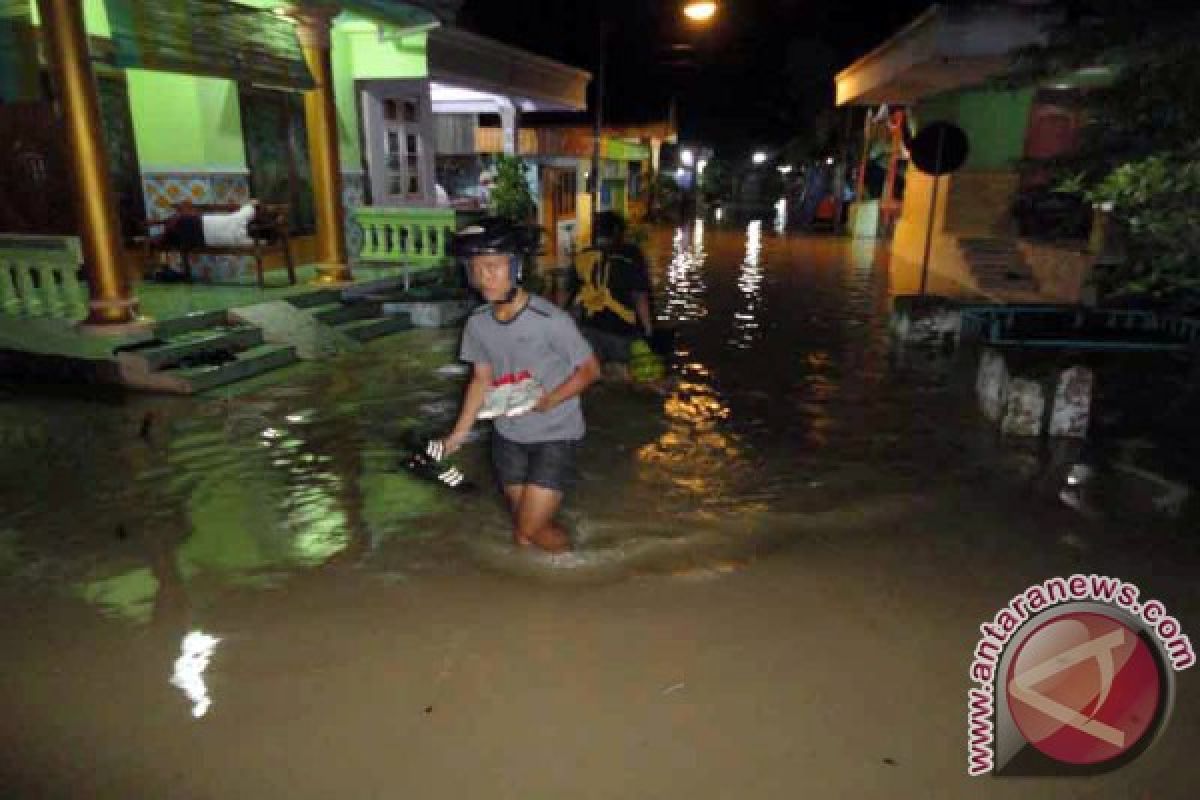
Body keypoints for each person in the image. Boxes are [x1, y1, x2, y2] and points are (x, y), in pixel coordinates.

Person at [436, 217, 601, 553]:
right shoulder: (478, 323)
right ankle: (542, 584)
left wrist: (549, 401)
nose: (484, 277)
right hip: (508, 438)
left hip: (555, 435)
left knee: (528, 529)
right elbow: (480, 380)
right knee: (525, 532)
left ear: (516, 267)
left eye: (494, 266)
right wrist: (457, 435)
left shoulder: (550, 320)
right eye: (476, 268)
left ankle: (576, 570)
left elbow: (589, 371)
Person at [575, 211, 654, 368]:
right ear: (618, 231)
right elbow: (640, 297)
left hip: (588, 328)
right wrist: (648, 329)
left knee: (593, 375)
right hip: (621, 330)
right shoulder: (631, 255)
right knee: (625, 377)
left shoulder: (583, 255)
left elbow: (568, 295)